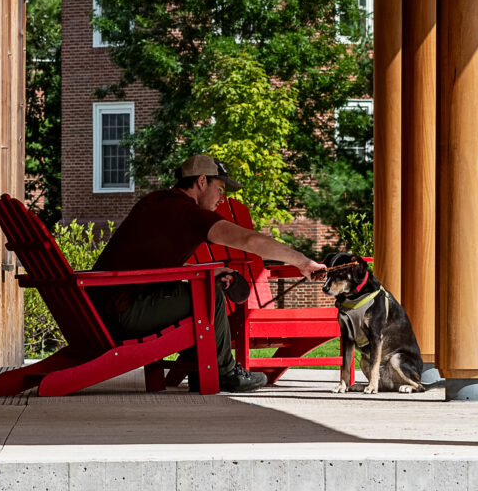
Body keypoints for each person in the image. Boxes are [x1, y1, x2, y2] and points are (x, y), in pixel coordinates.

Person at [94, 153, 324, 393]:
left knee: (201, 287)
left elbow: (148, 264)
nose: (222, 200)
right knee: (208, 295)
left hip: (101, 309)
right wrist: (303, 262)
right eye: (220, 189)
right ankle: (225, 372)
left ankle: (203, 369)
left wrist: (206, 271)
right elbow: (248, 239)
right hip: (123, 313)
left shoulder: (155, 202)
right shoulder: (189, 214)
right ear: (201, 181)